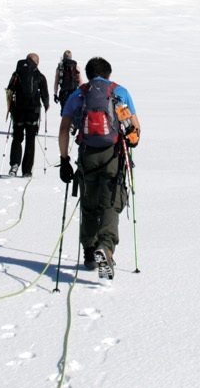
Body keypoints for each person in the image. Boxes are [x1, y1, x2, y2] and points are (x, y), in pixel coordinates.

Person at [58, 56, 141, 280]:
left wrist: (64, 159)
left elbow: (65, 128)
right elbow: (135, 127)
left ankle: (89, 251)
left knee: (89, 202)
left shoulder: (79, 94)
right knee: (110, 203)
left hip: (87, 155)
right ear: (108, 74)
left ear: (87, 73)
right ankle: (106, 247)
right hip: (113, 155)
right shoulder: (120, 92)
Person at [6, 53, 49, 178]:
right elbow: (45, 95)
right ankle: (27, 171)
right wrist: (46, 105)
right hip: (33, 111)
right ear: (36, 62)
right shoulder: (39, 76)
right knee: (30, 140)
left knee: (17, 137)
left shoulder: (17, 73)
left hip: (18, 110)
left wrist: (10, 108)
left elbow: (9, 90)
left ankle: (14, 164)